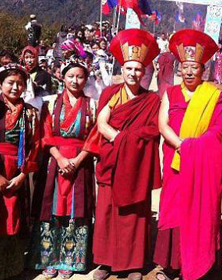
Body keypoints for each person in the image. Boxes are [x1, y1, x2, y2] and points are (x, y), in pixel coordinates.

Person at [85, 29, 161, 280]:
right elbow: (102, 122)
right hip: (113, 160)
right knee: (107, 209)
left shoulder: (151, 100)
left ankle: (134, 264)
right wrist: (121, 139)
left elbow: (153, 130)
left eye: (138, 69)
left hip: (136, 164)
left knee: (135, 214)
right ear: (122, 68)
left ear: (145, 72)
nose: (133, 73)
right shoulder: (111, 93)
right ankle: (105, 263)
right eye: (129, 68)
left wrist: (127, 140)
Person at [154, 29, 222, 280]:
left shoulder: (214, 96)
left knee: (198, 211)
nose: (188, 72)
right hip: (177, 161)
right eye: (184, 66)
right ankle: (170, 264)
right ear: (179, 68)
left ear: (203, 70)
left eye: (194, 67)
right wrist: (181, 146)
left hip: (200, 165)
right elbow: (163, 124)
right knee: (173, 208)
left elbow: (218, 131)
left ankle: (195, 265)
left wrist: (193, 149)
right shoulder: (171, 93)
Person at [34, 57, 96, 279]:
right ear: (62, 77)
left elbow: (94, 136)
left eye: (80, 76)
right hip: (55, 160)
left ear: (86, 78)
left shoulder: (92, 105)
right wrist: (59, 158)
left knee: (76, 208)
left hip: (81, 161)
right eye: (71, 76)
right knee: (52, 208)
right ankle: (48, 258)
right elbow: (45, 135)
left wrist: (78, 160)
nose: (75, 80)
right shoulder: (50, 103)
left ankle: (71, 260)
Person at [0, 64, 41, 280]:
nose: (15, 87)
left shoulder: (31, 113)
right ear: (0, 84)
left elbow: (35, 146)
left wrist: (23, 175)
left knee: (16, 215)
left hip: (18, 170)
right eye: (10, 82)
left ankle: (13, 268)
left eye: (20, 83)